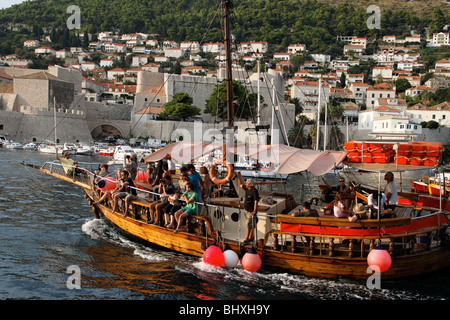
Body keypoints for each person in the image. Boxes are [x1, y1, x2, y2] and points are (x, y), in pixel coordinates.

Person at [239, 178, 260, 244]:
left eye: (247, 182)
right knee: (251, 224)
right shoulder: (247, 188)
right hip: (246, 210)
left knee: (248, 225)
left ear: (250, 184)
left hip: (251, 211)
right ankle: (251, 236)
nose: (246, 183)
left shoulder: (254, 191)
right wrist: (238, 175)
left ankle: (246, 239)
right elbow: (240, 184)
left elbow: (256, 201)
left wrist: (254, 210)